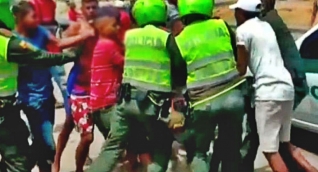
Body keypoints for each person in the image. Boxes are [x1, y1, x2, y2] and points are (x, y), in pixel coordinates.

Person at [86, 0, 187, 171]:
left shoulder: (130, 36)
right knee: (161, 146)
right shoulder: (165, 37)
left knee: (112, 148)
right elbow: (179, 69)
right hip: (152, 105)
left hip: (125, 103)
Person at [230, 0, 318, 171]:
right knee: (287, 145)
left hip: (269, 92)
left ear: (242, 13)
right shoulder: (267, 26)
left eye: (237, 11)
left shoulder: (242, 31)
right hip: (286, 88)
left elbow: (241, 68)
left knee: (269, 150)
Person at [11, 1, 94, 171]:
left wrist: (81, 38)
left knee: (42, 142)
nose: (37, 19)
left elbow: (58, 44)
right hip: (31, 100)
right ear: (21, 18)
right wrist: (76, 49)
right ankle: (19, 165)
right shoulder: (16, 42)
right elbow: (44, 57)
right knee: (47, 144)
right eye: (32, 16)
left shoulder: (40, 31)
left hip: (47, 96)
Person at [174, 0, 246, 171]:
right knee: (232, 150)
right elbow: (238, 54)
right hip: (233, 98)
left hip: (202, 104)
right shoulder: (222, 26)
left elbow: (178, 77)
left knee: (199, 153)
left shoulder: (179, 40)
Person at [0, 18, 79, 171]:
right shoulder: (6, 43)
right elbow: (40, 57)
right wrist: (72, 55)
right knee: (19, 161)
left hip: (9, 109)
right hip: (4, 111)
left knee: (22, 147)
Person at [52, 0, 99, 171]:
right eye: (89, 7)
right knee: (71, 125)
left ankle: (80, 160)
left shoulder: (104, 26)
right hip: (78, 87)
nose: (92, 10)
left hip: (97, 88)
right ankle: (57, 161)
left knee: (86, 133)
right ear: (83, 9)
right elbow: (60, 45)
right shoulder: (79, 27)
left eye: (95, 7)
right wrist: (83, 38)